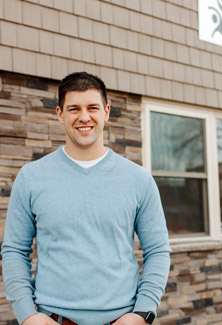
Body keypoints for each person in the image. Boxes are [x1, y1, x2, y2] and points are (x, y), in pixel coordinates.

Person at [2, 72, 171, 325]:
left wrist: (143, 313)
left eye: (92, 107)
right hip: (54, 319)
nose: (84, 117)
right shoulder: (31, 177)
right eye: (74, 109)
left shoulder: (138, 179)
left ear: (106, 112)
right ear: (60, 114)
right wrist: (28, 315)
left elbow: (157, 250)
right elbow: (15, 250)